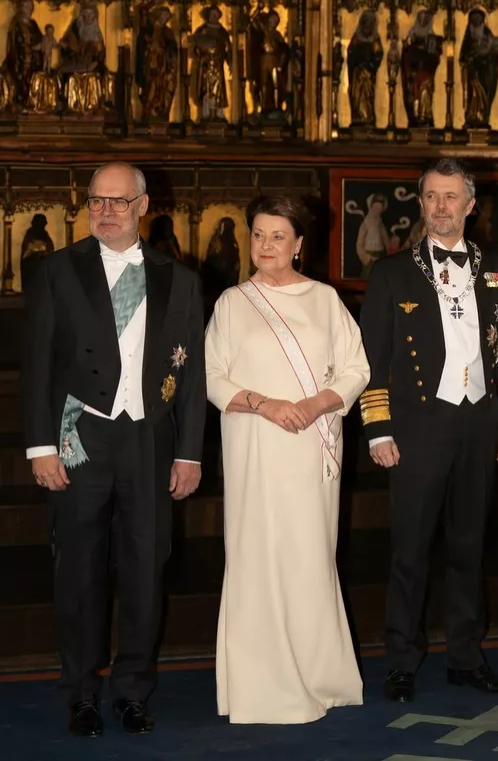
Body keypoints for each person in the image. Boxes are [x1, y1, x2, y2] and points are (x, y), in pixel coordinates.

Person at [22, 162, 206, 737]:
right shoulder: (56, 270)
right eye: (96, 201)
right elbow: (37, 363)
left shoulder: (180, 279)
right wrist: (40, 446)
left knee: (146, 570)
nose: (105, 212)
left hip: (149, 440)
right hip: (80, 438)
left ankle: (131, 690)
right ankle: (81, 692)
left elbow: (192, 374)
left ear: (142, 206)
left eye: (118, 201)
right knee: (78, 571)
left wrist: (190, 452)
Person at [360, 158, 498, 702]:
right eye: (431, 196)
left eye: (451, 196)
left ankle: (465, 657)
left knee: (469, 548)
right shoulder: (391, 273)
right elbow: (371, 360)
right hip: (417, 428)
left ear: (470, 205)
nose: (440, 206)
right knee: (409, 551)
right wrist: (379, 429)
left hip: (479, 422)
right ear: (421, 202)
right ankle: (402, 661)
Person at [205, 194, 370, 724]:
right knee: (257, 554)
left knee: (308, 557)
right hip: (255, 444)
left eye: (278, 237)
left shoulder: (325, 299)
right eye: (258, 235)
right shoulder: (232, 303)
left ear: (299, 244)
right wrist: (267, 405)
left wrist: (314, 404)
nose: (266, 245)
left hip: (312, 445)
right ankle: (262, 685)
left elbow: (356, 368)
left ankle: (320, 676)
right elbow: (212, 378)